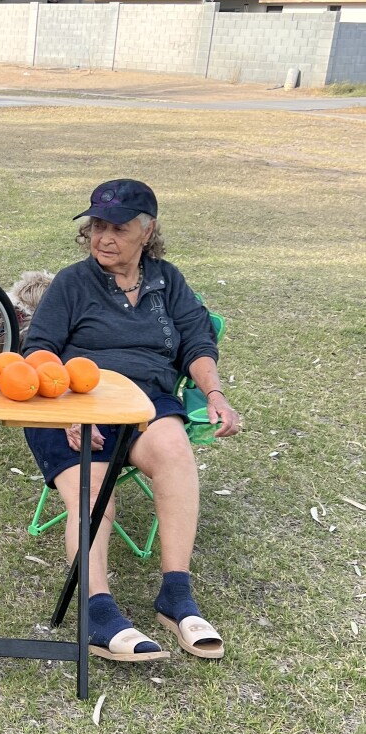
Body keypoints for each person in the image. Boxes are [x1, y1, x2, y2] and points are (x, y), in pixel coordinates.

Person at [22, 179, 241, 664]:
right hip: (73, 403)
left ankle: (176, 595)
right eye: (97, 226)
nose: (103, 238)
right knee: (93, 484)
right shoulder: (73, 282)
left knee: (175, 453)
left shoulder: (168, 281)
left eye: (118, 228)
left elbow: (197, 344)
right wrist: (70, 410)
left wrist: (215, 394)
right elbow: (38, 349)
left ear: (148, 231)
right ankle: (98, 610)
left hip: (146, 401)